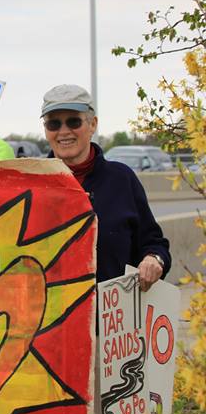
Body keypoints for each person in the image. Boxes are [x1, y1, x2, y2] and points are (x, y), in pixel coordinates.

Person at [41, 84, 170, 290]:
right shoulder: (32, 183)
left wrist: (154, 259)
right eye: (54, 124)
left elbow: (153, 243)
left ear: (93, 124)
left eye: (73, 122)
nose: (63, 132)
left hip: (112, 315)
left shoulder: (122, 179)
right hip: (52, 318)